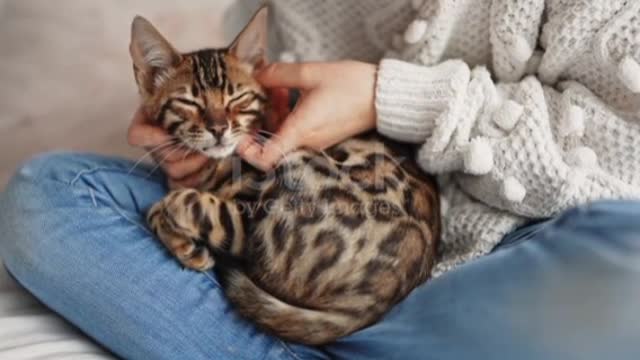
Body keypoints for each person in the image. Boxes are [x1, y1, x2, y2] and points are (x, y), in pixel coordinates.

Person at [1, 0, 640, 359]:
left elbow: (621, 165)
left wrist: (387, 97)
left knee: (627, 264)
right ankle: (328, 335)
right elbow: (259, 105)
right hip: (322, 241)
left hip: (504, 255)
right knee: (47, 198)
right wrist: (200, 154)